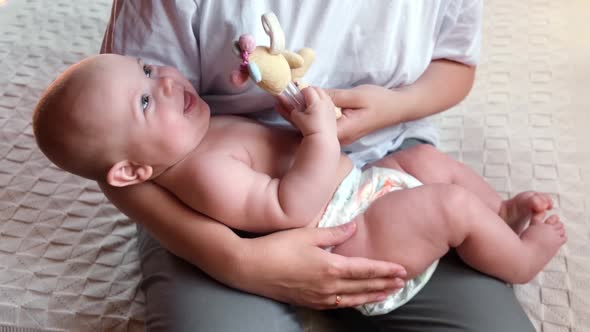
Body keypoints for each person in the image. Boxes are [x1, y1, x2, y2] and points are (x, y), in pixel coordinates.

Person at [88, 0, 540, 331]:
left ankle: (503, 226)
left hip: (373, 169)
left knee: (440, 186)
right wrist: (235, 259)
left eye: (153, 76)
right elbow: (108, 150)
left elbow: (455, 63)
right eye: (148, 91)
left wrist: (395, 106)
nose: (162, 83)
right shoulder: (198, 167)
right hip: (242, 219)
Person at [33, 52, 566, 317]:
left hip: (360, 186)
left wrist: (283, 100)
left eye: (148, 69)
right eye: (146, 101)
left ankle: (498, 213)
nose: (167, 83)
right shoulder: (204, 176)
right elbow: (289, 205)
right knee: (448, 206)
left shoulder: (200, 133)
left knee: (424, 159)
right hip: (349, 233)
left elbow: (277, 153)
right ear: (131, 172)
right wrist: (320, 137)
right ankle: (520, 258)